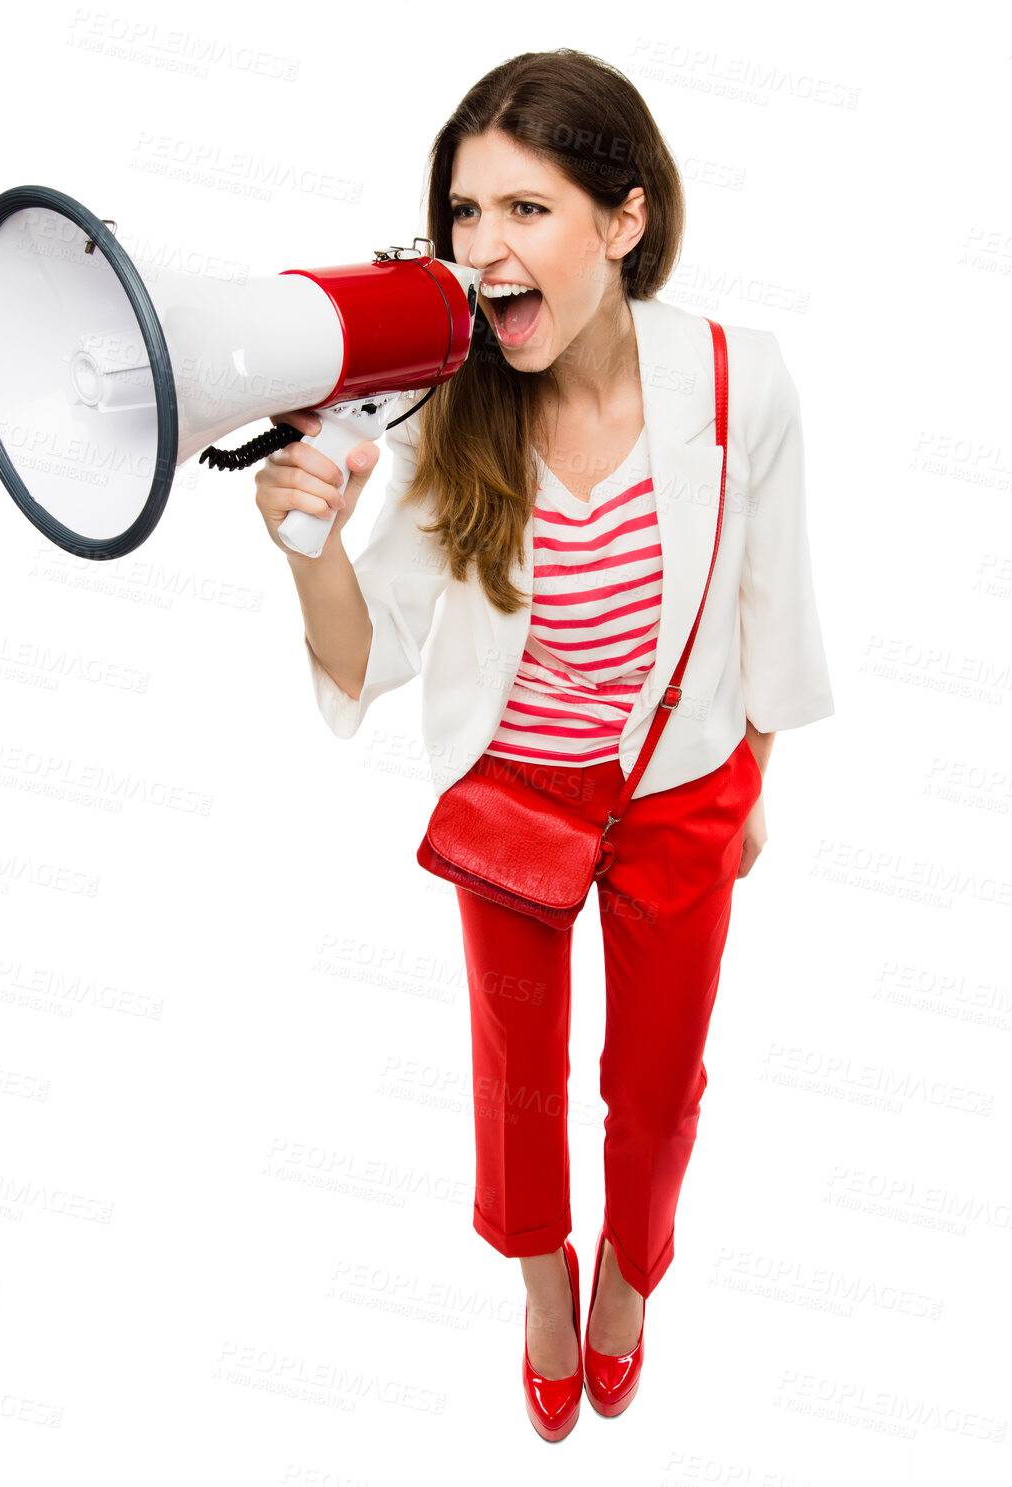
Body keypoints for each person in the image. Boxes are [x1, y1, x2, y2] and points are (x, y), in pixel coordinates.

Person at [255, 49, 834, 1442]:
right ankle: (540, 1283)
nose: (481, 248)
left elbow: (772, 592)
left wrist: (754, 773)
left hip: (682, 790)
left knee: (654, 1085)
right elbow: (361, 656)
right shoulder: (453, 397)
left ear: (621, 223)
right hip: (510, 794)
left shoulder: (736, 380)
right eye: (463, 213)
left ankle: (631, 1275)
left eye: (524, 210)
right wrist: (305, 543)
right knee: (515, 1085)